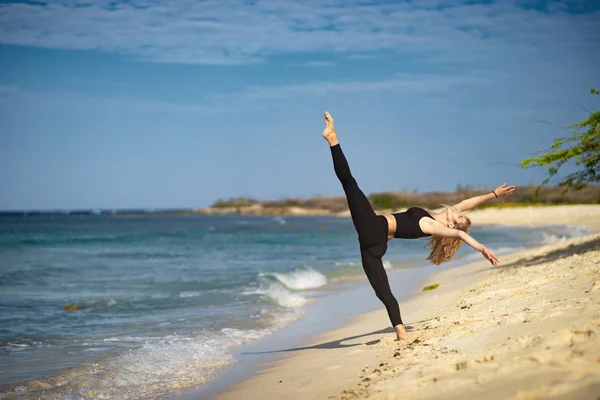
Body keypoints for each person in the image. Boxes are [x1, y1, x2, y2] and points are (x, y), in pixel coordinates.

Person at [321, 111, 515, 340]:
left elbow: (460, 235)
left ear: (454, 225)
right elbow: (466, 204)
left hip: (373, 229)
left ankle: (332, 138)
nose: (457, 211)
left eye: (459, 217)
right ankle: (401, 334)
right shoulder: (436, 214)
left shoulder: (433, 226)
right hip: (373, 245)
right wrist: (493, 194)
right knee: (384, 292)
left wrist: (481, 248)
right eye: (460, 213)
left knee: (349, 183)